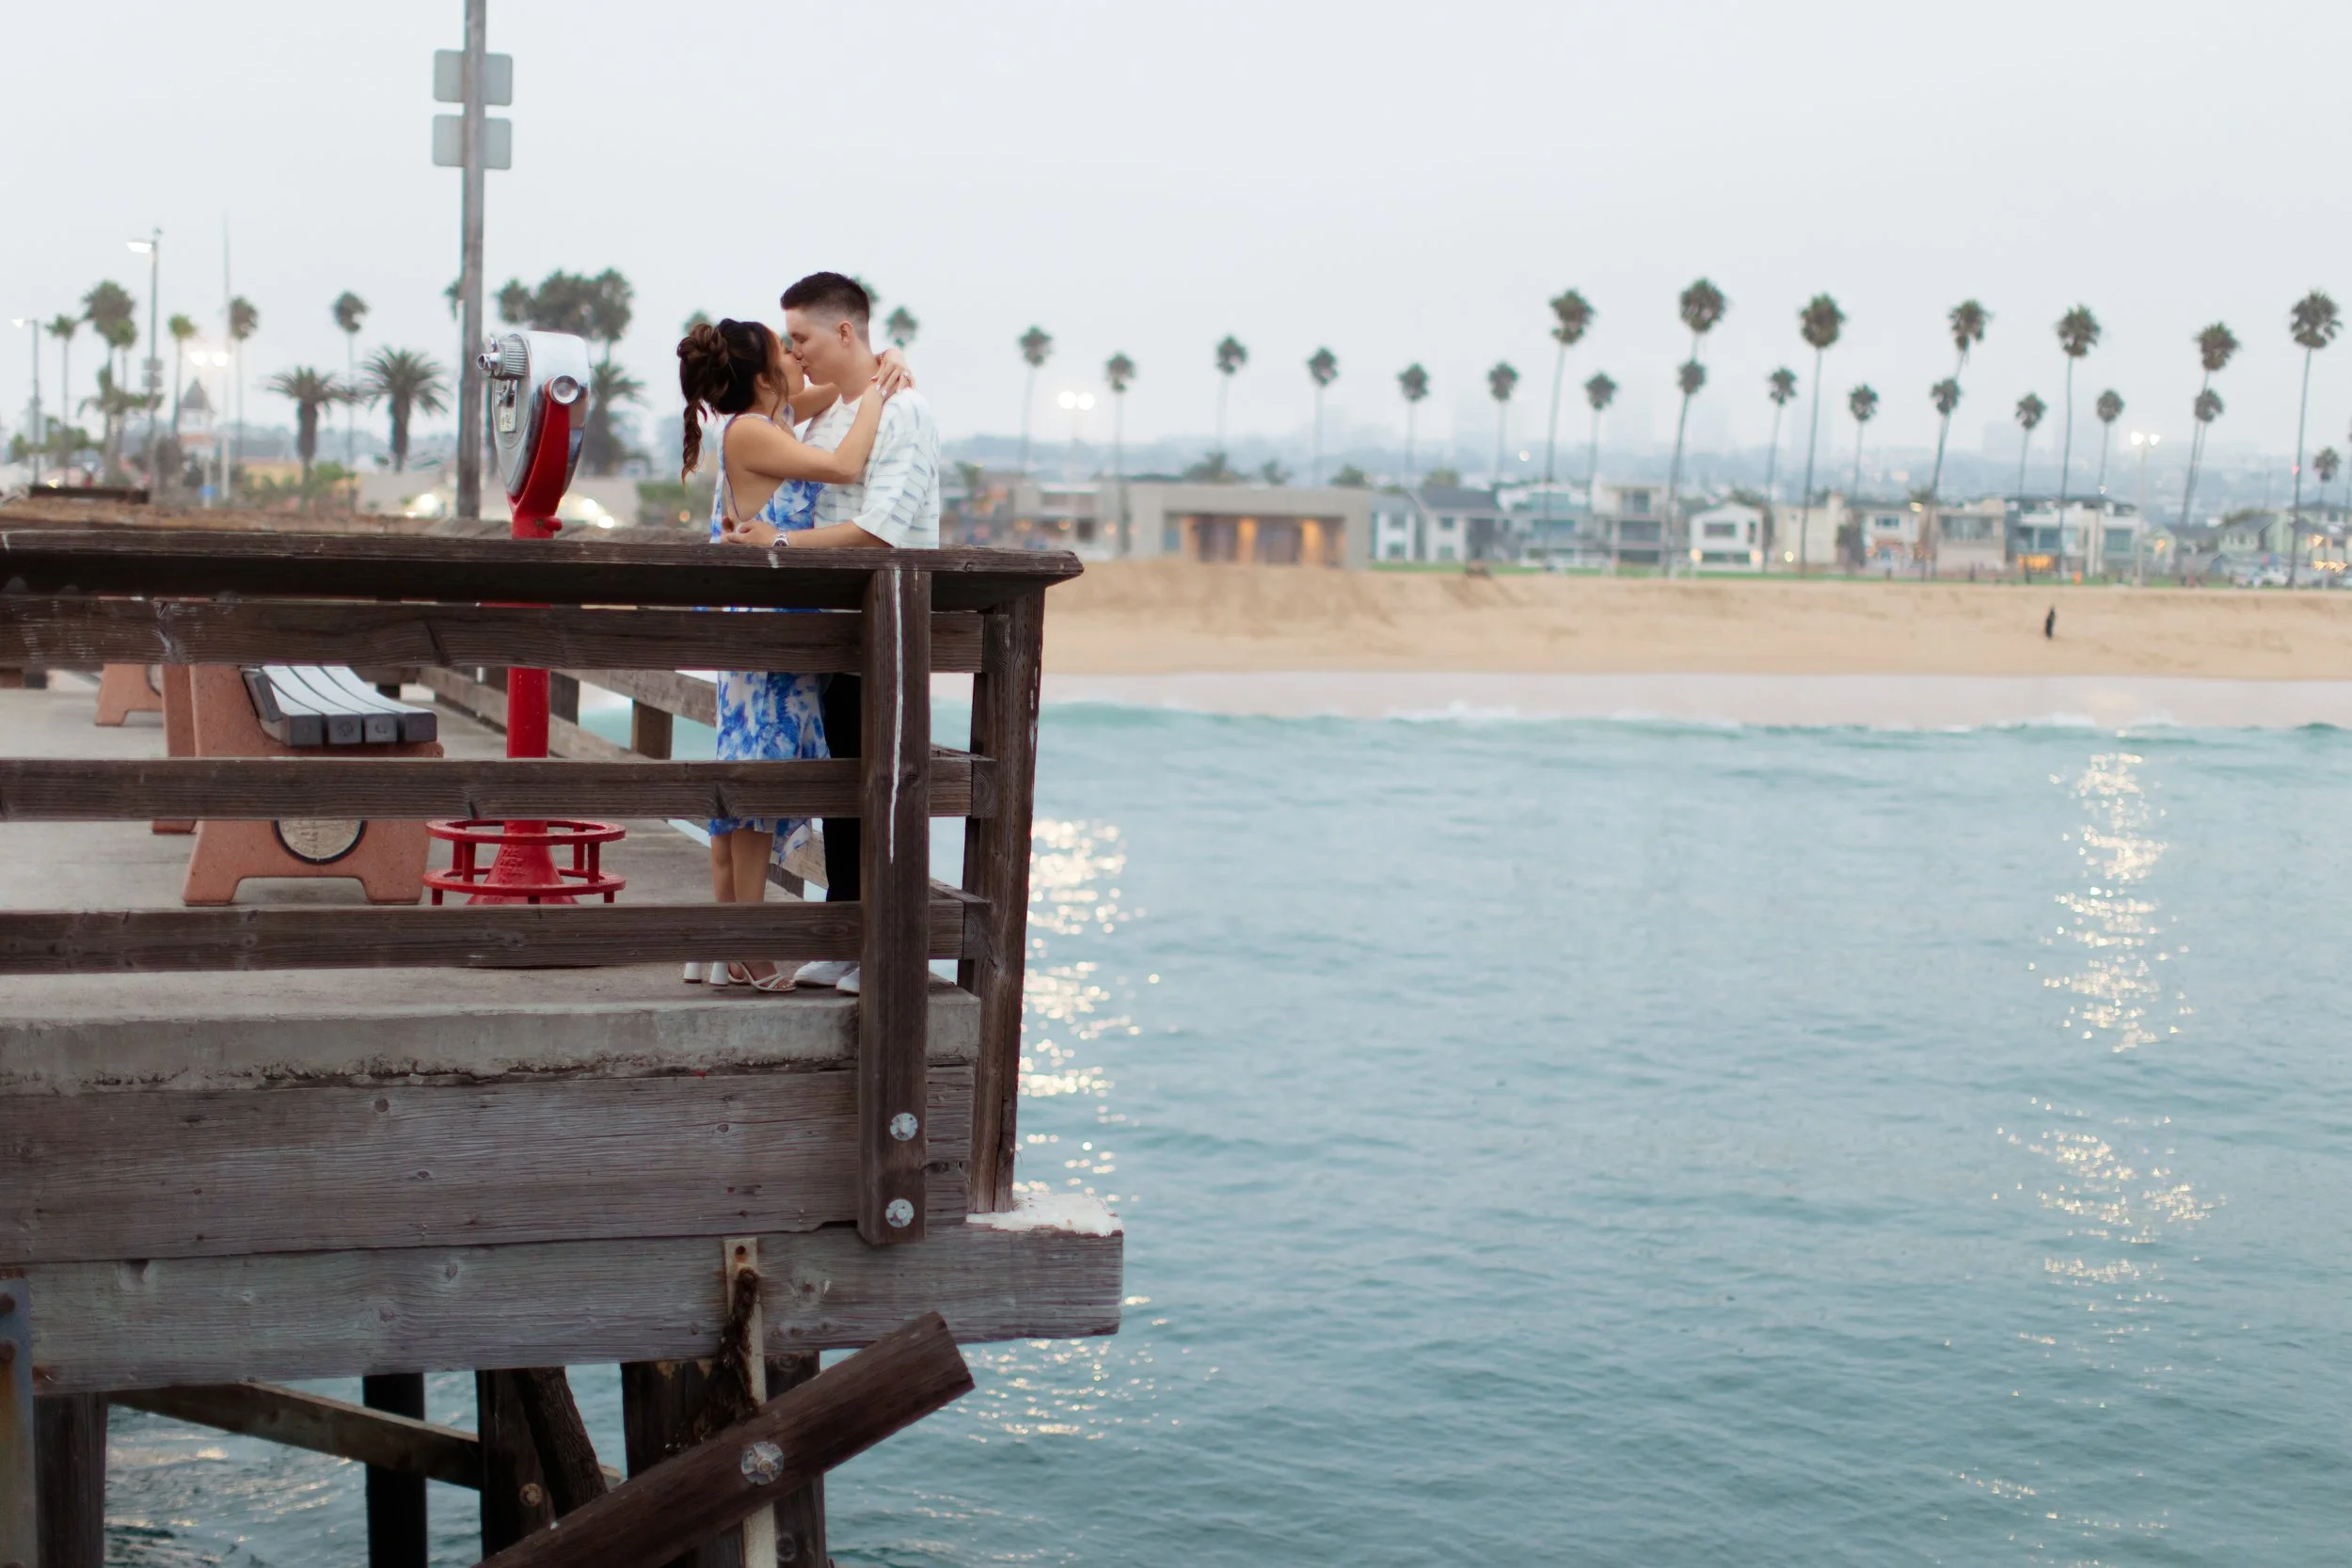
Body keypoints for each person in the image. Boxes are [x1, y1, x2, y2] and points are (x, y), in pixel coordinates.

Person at [715, 273, 941, 995]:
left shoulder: (904, 411)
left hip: (889, 626)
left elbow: (881, 529)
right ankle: (846, 941)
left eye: (801, 337)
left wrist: (779, 541)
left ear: (844, 331)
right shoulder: (828, 413)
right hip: (832, 635)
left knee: (889, 790)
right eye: (786, 342)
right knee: (846, 793)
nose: (794, 352)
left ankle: (887, 952)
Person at [675, 316, 906, 991]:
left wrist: (882, 362)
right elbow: (844, 464)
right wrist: (879, 396)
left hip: (770, 630)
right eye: (785, 348)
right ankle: (747, 946)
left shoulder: (769, 420)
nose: (797, 354)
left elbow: (834, 388)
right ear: (760, 373)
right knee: (757, 787)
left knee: (746, 778)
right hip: (768, 637)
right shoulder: (751, 431)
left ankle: (724, 943)